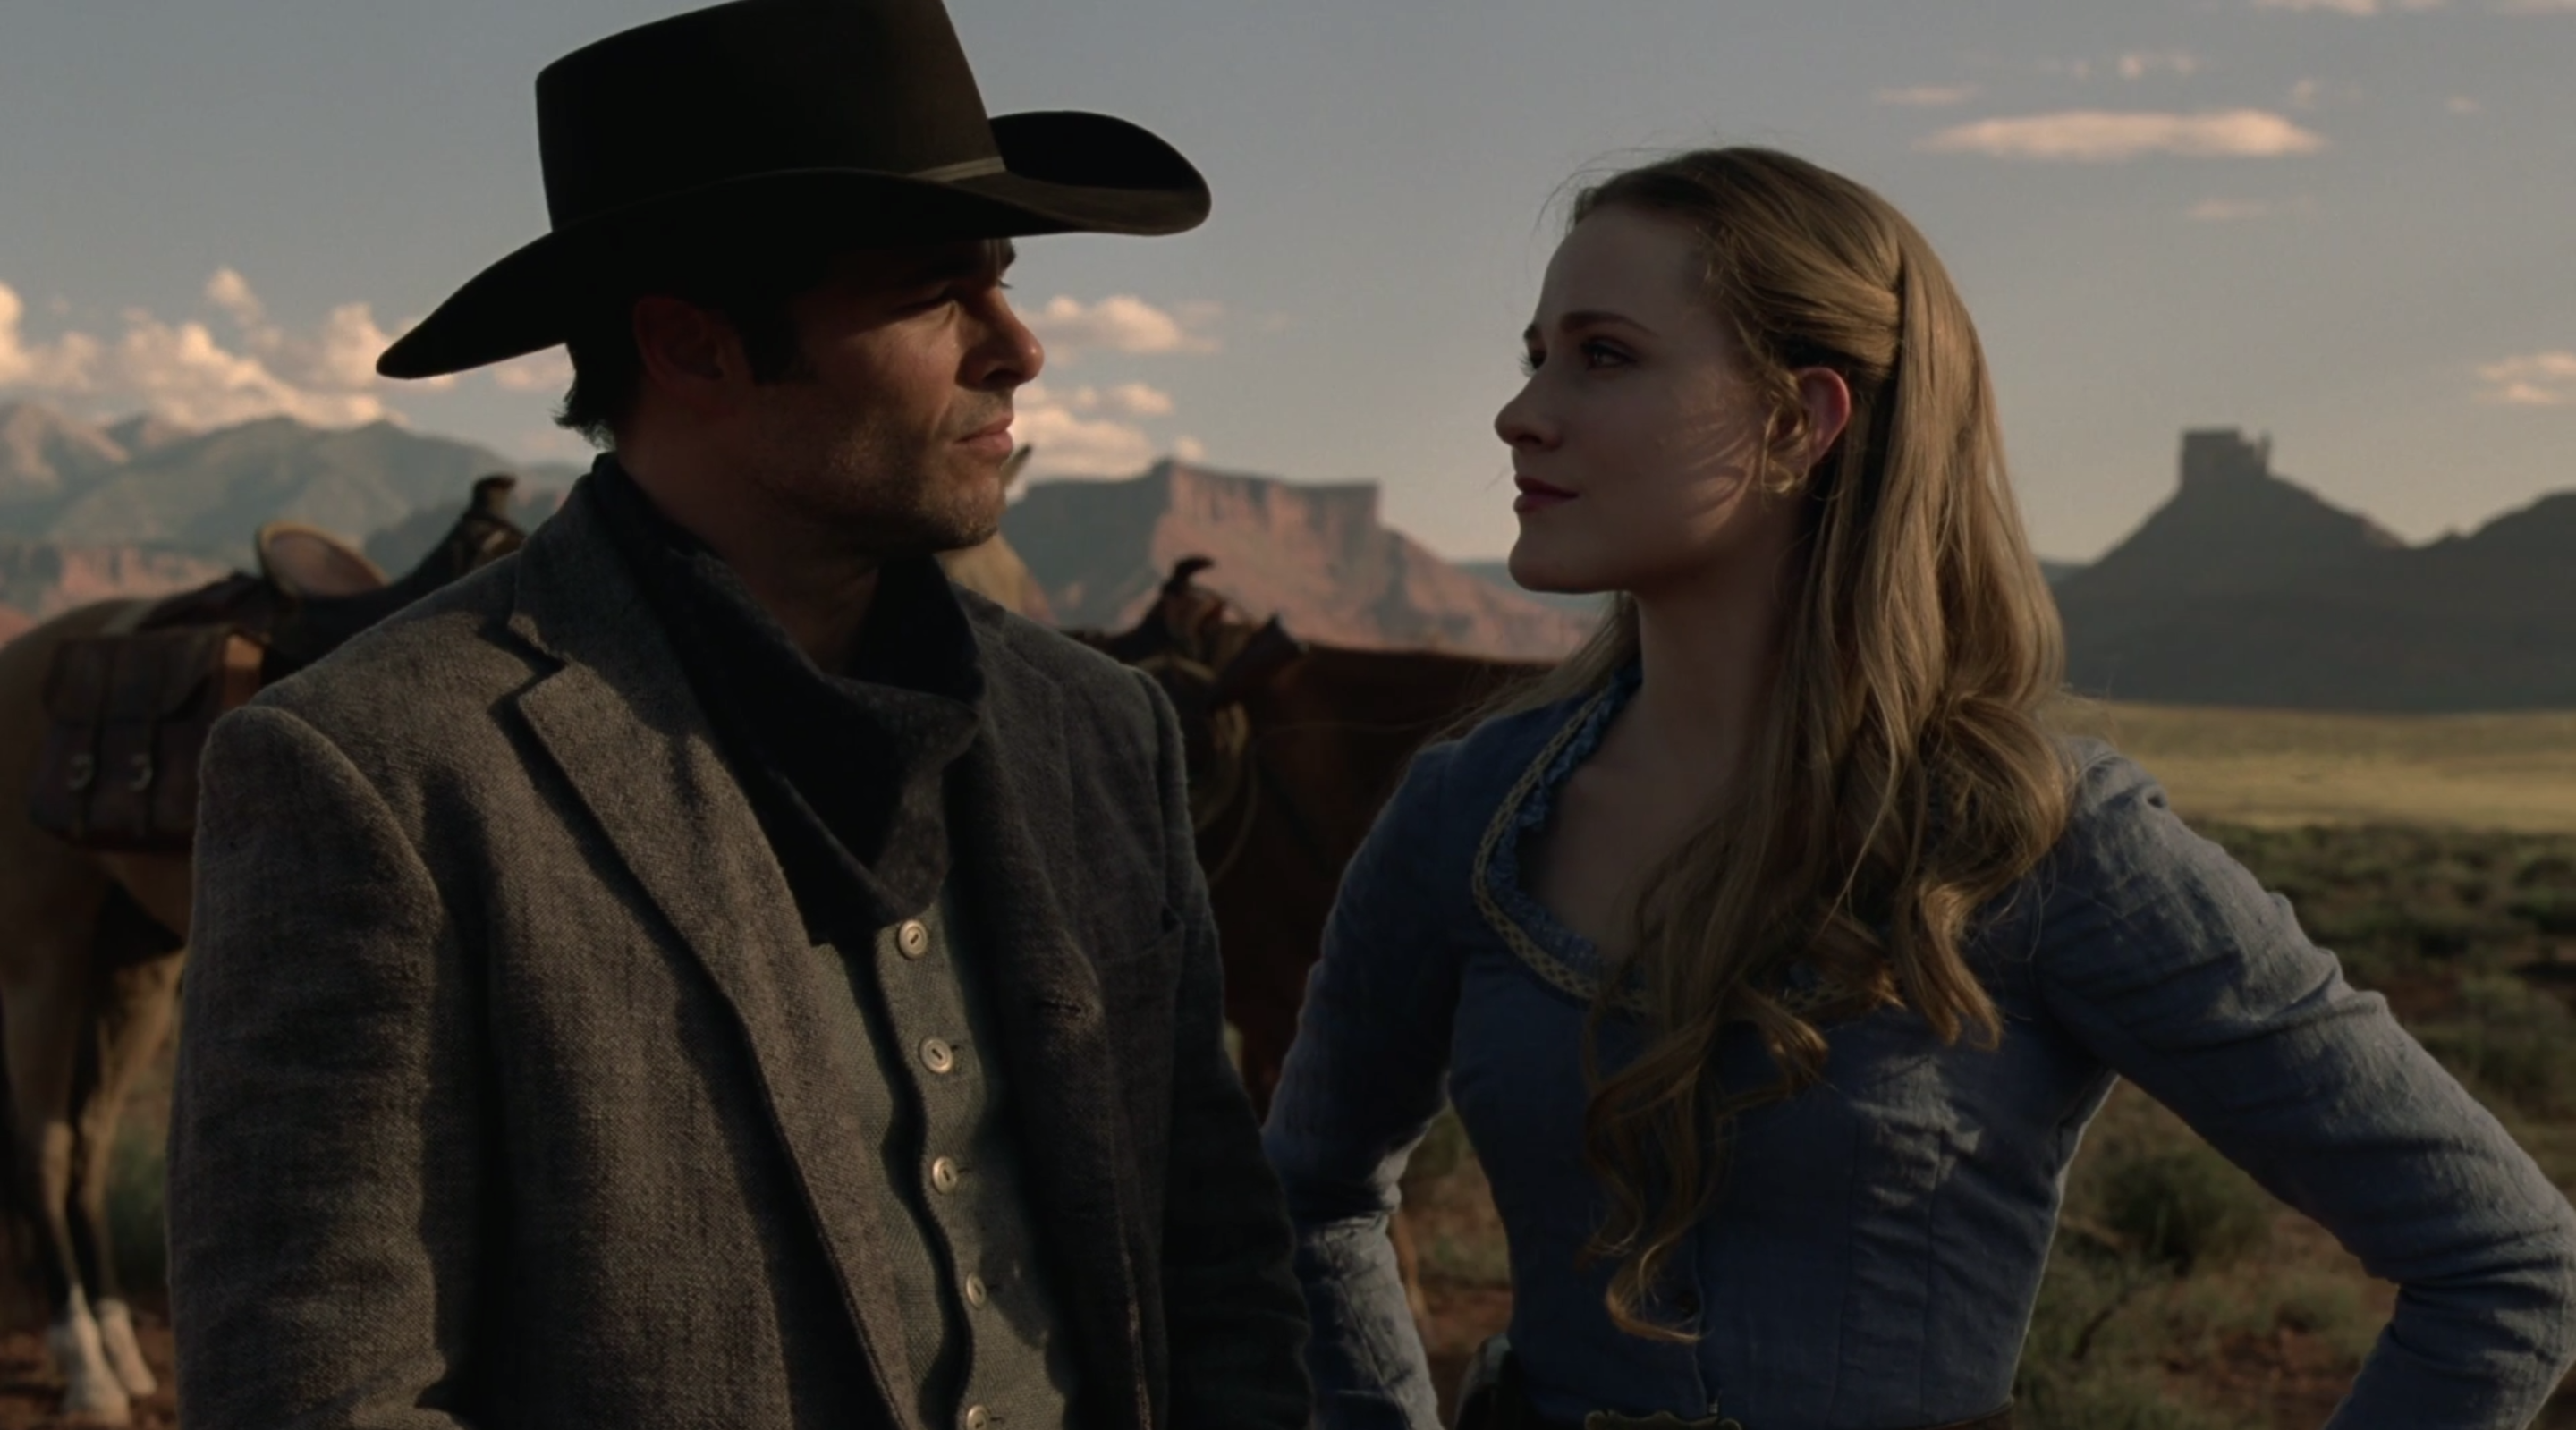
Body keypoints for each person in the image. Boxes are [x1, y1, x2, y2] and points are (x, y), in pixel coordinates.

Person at [1262, 146, 2576, 1430]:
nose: (1522, 412)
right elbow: (1306, 1198)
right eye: (1535, 355)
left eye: (1603, 355)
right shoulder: (1468, 814)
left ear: (1800, 421)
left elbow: (2505, 1263)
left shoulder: (2040, 838)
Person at [167, 2, 1310, 1426]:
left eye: (1002, 281)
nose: (1016, 346)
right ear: (694, 347)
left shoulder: (1099, 732)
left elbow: (1217, 1268)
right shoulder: (384, 773)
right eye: (934, 290)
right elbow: (320, 1390)